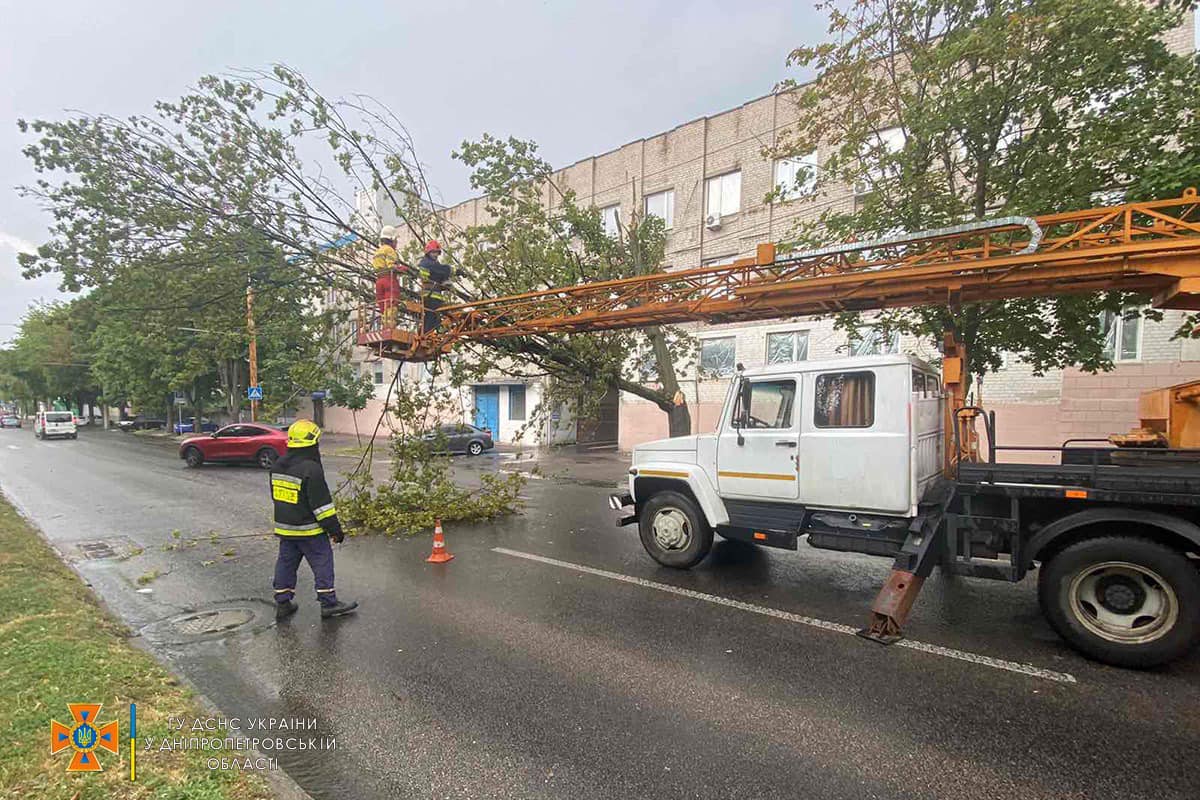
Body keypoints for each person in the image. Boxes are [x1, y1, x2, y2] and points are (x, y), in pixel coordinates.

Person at [270, 419, 358, 620]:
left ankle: (282, 603)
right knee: (322, 562)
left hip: (286, 529)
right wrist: (335, 530)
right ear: (312, 443)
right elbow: (322, 507)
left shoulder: (277, 466)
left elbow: (277, 497)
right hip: (309, 530)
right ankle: (329, 603)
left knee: (285, 563)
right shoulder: (311, 469)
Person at [372, 225, 410, 329]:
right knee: (391, 306)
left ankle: (385, 327)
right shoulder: (389, 250)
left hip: (379, 281)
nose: (396, 243)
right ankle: (390, 328)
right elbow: (392, 266)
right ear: (392, 239)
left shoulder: (377, 251)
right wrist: (403, 269)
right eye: (396, 240)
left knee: (383, 307)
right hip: (389, 280)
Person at [417, 240, 453, 333]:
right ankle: (426, 335)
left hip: (434, 296)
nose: (436, 255)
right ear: (428, 252)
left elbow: (437, 272)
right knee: (432, 317)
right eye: (433, 252)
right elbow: (440, 270)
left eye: (437, 253)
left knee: (433, 318)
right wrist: (451, 270)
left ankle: (428, 334)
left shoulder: (432, 263)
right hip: (430, 296)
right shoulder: (426, 263)